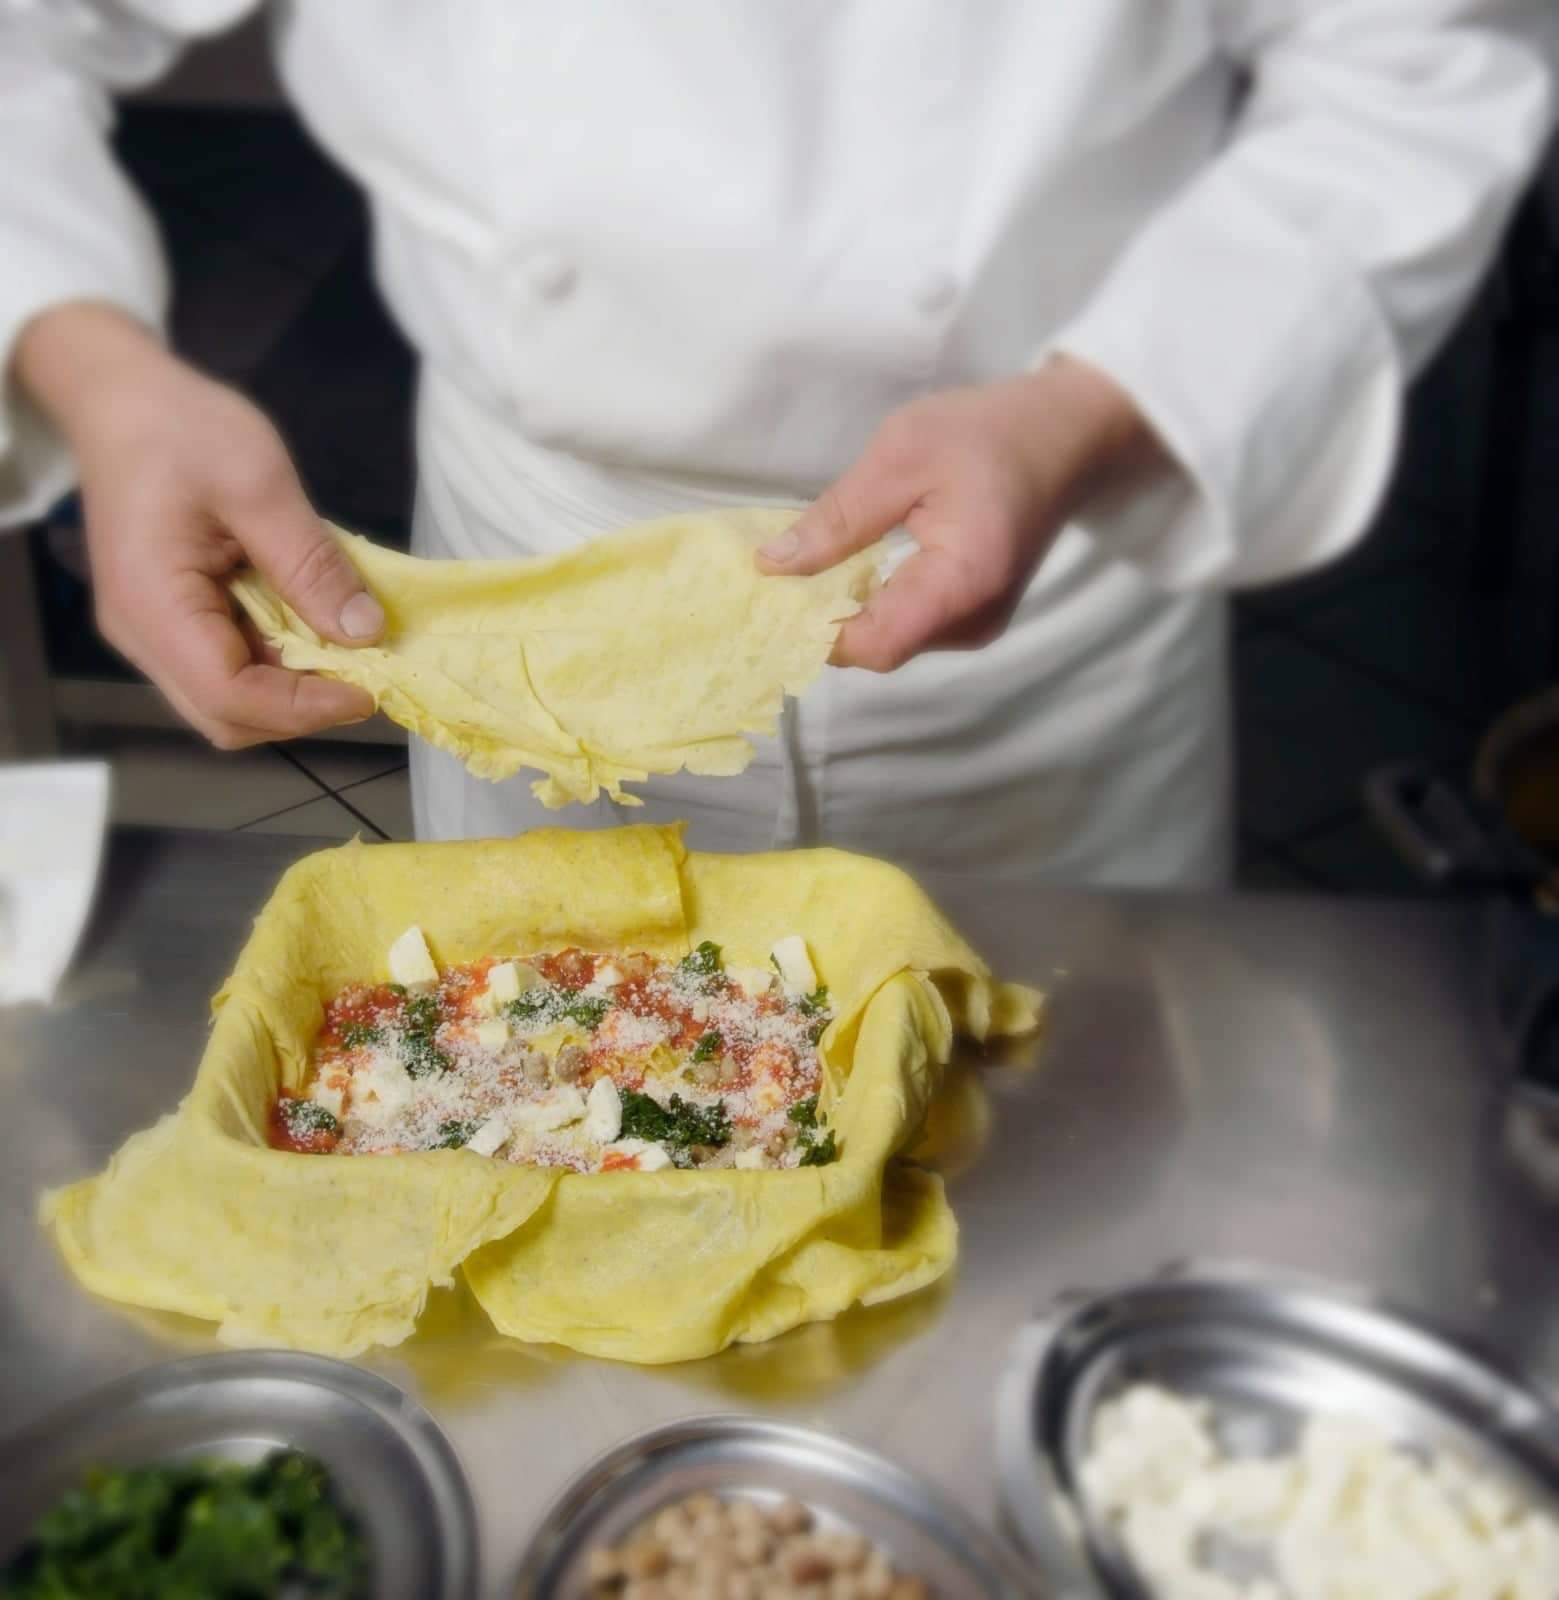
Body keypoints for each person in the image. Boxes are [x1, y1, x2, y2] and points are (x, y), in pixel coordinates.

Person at [3, 4, 1554, 885]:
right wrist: (100, 377)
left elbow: (1422, 65)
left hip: (1043, 599)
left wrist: (1095, 411)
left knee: (1056, 1158)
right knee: (567, 1148)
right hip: (534, 590)